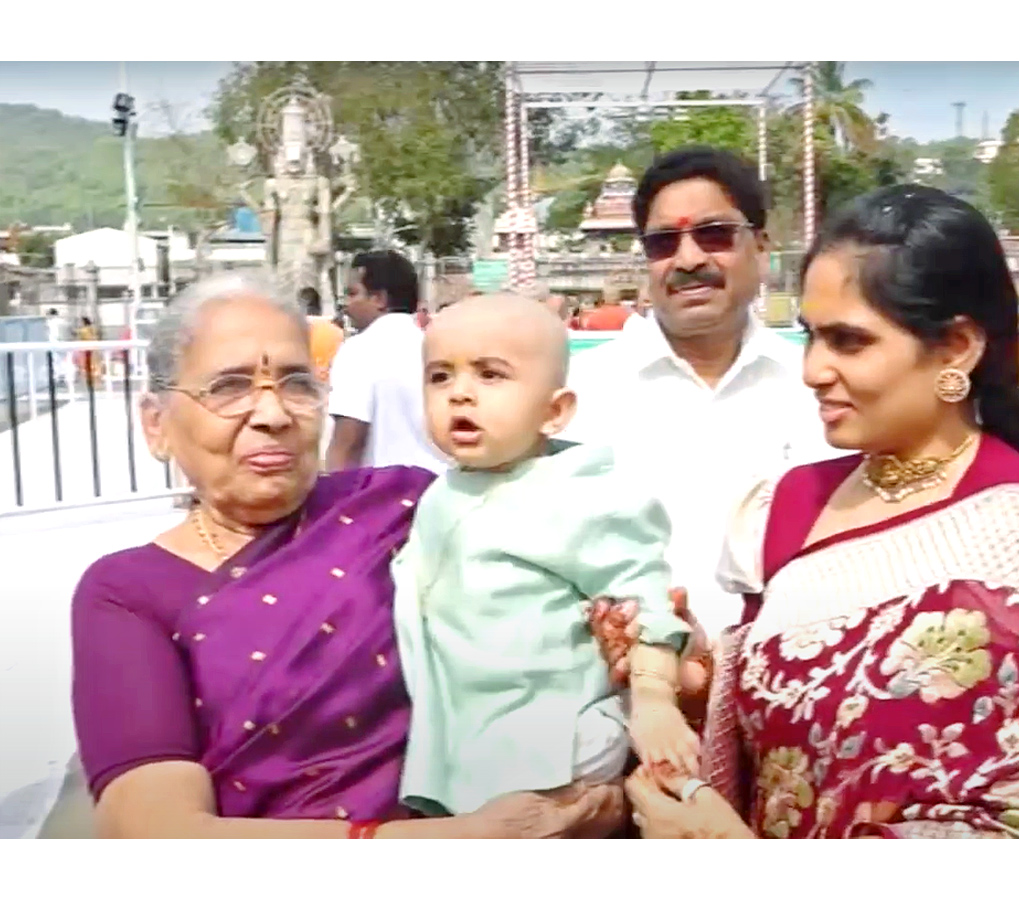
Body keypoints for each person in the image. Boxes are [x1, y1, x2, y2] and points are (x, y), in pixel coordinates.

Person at [624, 184, 1019, 839]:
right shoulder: (789, 506)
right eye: (809, 336)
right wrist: (690, 681)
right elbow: (781, 730)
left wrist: (726, 854)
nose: (812, 369)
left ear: (955, 349)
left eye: (848, 342)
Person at [67, 272, 626, 838]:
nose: (273, 414)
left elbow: (586, 589)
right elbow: (153, 831)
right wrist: (448, 844)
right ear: (157, 424)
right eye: (231, 387)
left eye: (297, 384)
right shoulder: (126, 592)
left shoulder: (410, 506)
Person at [392, 294, 696, 817]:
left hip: (556, 737)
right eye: (440, 377)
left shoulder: (579, 495)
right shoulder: (442, 491)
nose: (459, 395)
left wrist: (653, 701)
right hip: (468, 731)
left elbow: (643, 594)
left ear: (555, 411)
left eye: (490, 375)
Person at [566, 146, 834, 637]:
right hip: (623, 698)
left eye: (714, 235)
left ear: (763, 247)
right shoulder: (577, 397)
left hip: (790, 687)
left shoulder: (822, 390)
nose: (689, 259)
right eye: (664, 243)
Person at [325, 250, 445, 473]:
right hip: (440, 491)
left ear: (379, 299)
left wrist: (334, 498)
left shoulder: (360, 349)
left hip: (386, 498)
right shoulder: (436, 347)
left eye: (352, 294)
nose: (346, 305)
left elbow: (348, 442)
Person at [299, 285, 343, 384]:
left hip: (306, 385)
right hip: (330, 385)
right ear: (319, 306)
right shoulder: (336, 331)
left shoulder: (295, 330)